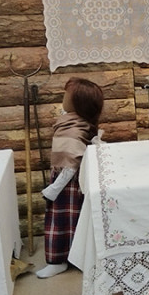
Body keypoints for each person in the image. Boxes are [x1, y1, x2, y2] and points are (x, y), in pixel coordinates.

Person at [36, 77, 104, 279]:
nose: (63, 98)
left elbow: (71, 164)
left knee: (62, 221)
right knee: (72, 220)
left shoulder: (73, 130)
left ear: (78, 103)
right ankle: (71, 257)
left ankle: (59, 260)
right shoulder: (71, 122)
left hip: (69, 185)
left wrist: (54, 189)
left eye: (67, 95)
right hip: (68, 181)